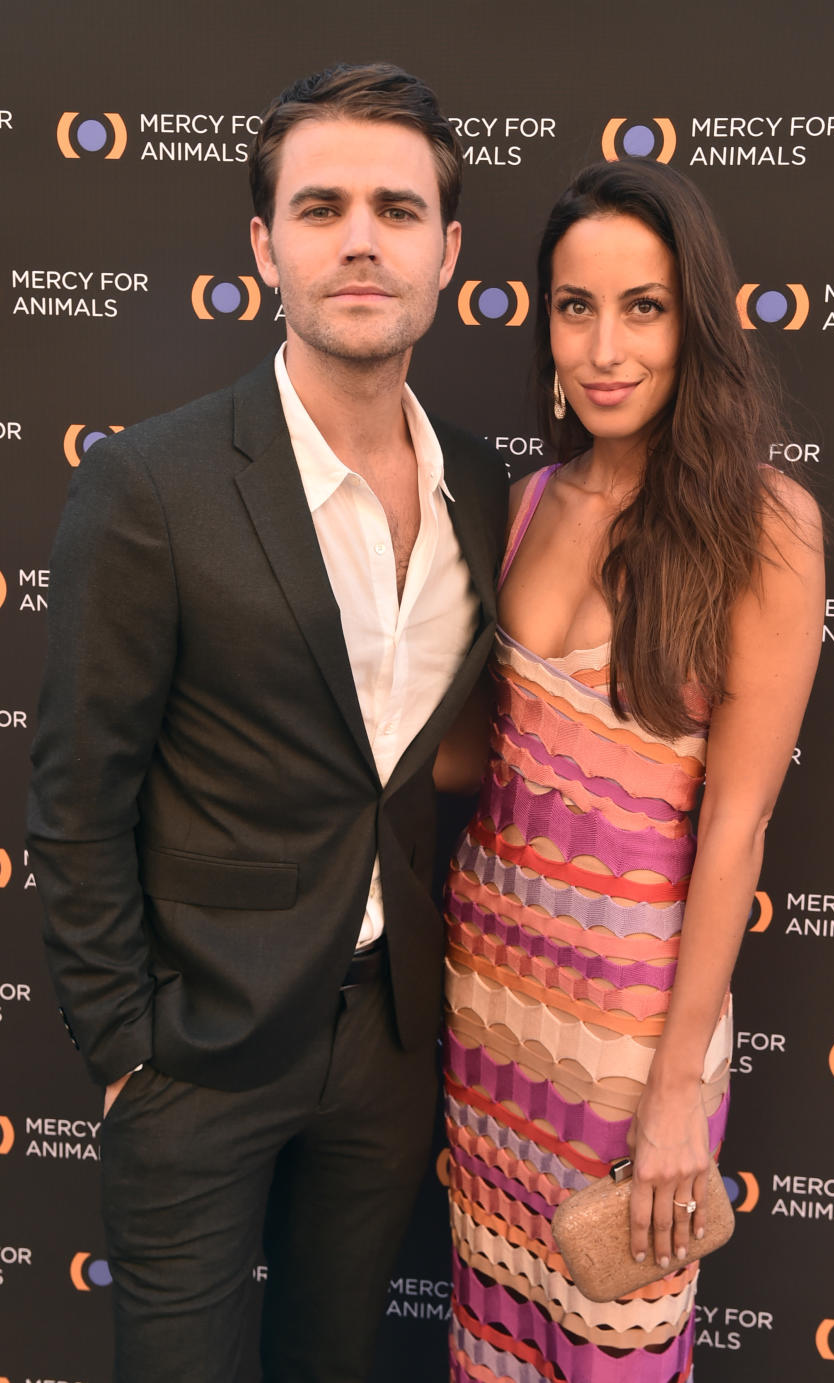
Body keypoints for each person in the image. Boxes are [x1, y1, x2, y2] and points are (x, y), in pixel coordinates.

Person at [26, 63, 507, 1383]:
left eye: (398, 210)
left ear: (447, 250)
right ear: (265, 244)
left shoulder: (482, 479)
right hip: (198, 1049)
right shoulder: (151, 481)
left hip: (393, 1045)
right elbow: (76, 791)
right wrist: (126, 1049)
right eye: (324, 205)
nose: (361, 238)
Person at [440, 159, 824, 1382]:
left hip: (628, 1038)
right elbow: (467, 760)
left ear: (693, 321)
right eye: (574, 306)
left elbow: (739, 826)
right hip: (489, 1004)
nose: (605, 346)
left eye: (643, 307)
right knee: (493, 1337)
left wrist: (672, 1096)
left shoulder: (765, 527)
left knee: (612, 1352)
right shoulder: (521, 502)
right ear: (543, 323)